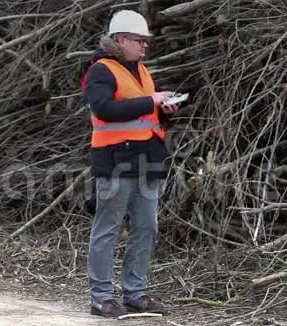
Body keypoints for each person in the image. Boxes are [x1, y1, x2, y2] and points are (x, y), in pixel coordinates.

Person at [82, 10, 179, 318]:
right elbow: (105, 109)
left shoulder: (142, 71)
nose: (145, 46)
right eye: (140, 40)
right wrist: (151, 101)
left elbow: (143, 116)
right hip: (115, 161)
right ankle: (101, 297)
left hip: (146, 159)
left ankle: (134, 293)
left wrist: (164, 111)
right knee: (108, 228)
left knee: (146, 227)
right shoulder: (101, 70)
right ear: (121, 40)